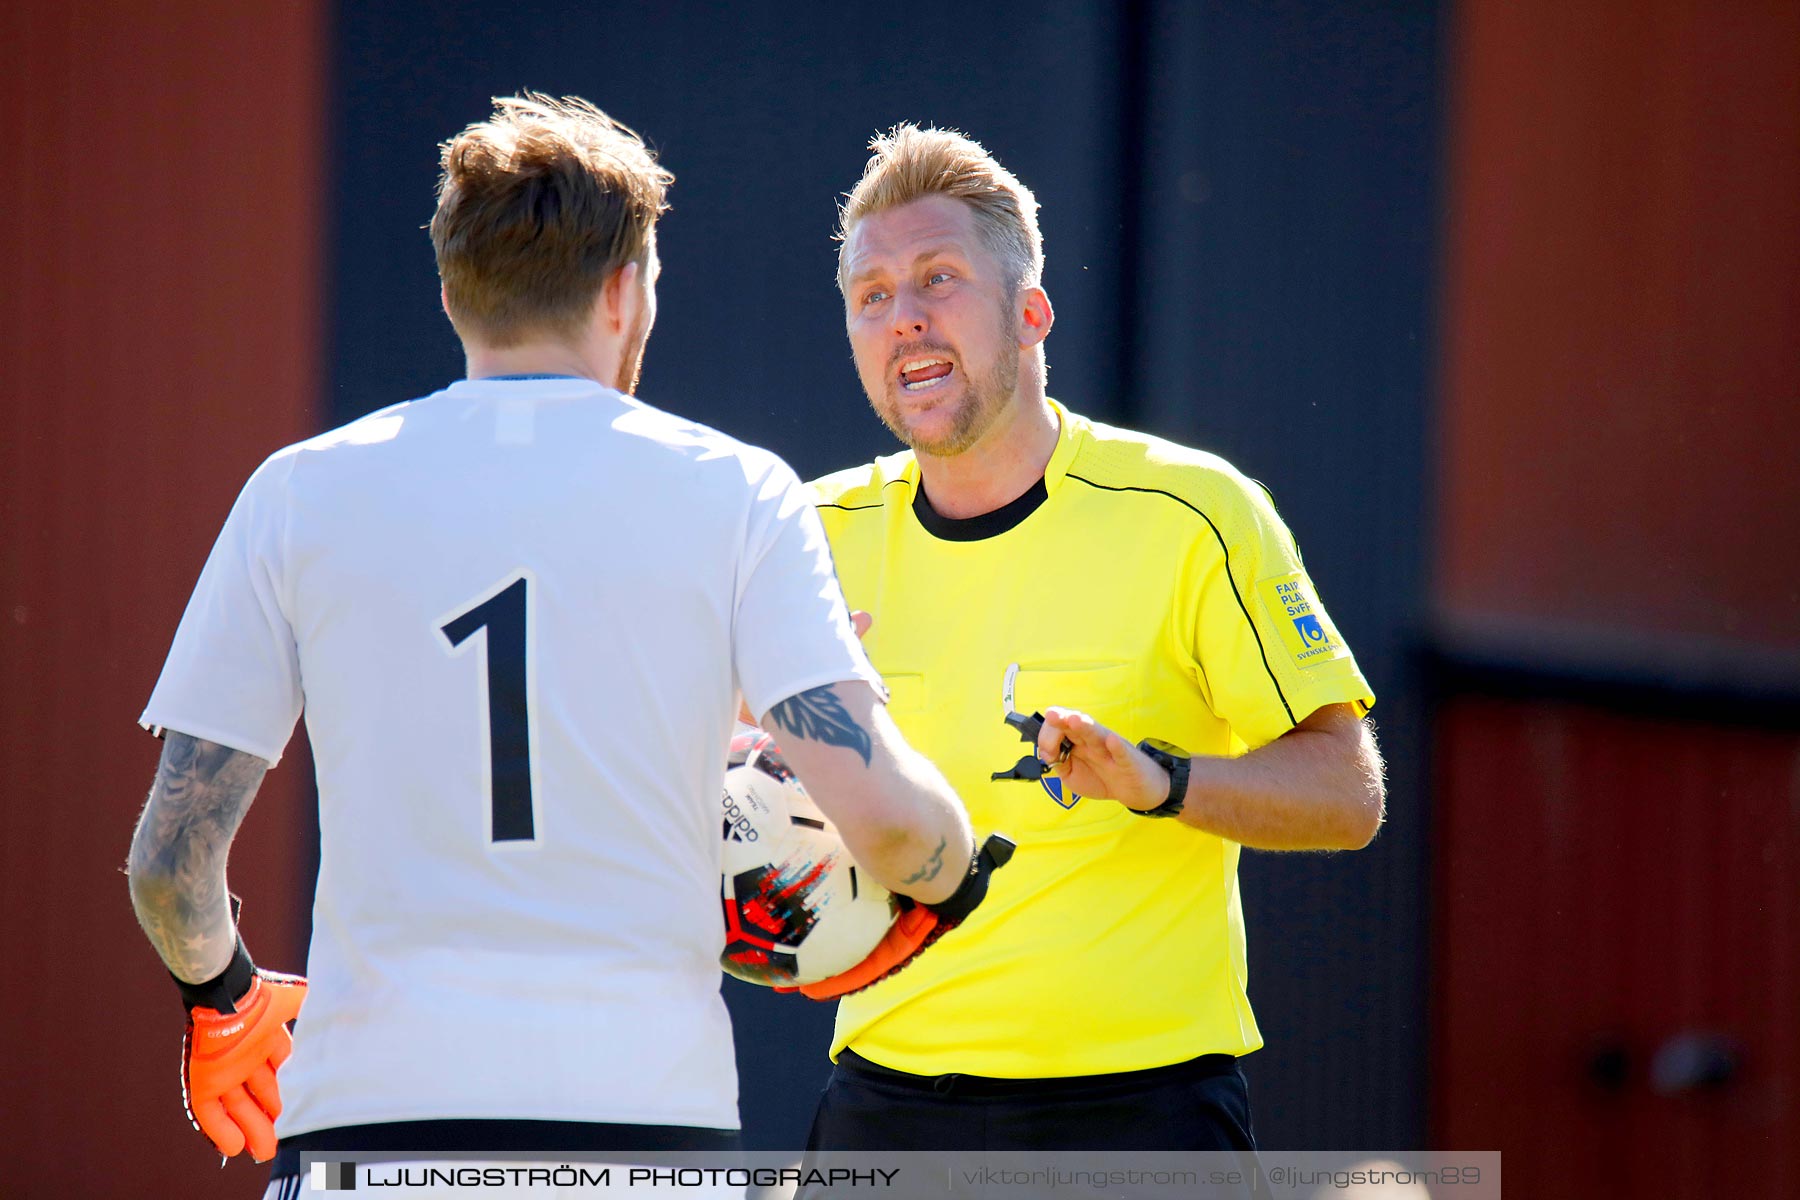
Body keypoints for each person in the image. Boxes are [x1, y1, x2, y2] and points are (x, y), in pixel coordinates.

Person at [125, 95, 997, 1197]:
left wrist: (224, 997)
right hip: (641, 1133)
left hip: (373, 1139)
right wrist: (951, 876)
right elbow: (893, 824)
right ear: (628, 288)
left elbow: (169, 864)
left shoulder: (301, 492)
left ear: (451, 292)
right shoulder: (736, 492)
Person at [802, 124, 1387, 1155]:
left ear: (1031, 313)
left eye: (939, 279)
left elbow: (1348, 795)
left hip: (1141, 1118)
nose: (904, 319)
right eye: (873, 296)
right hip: (884, 1116)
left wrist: (1162, 783)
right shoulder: (804, 535)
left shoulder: (1195, 511)